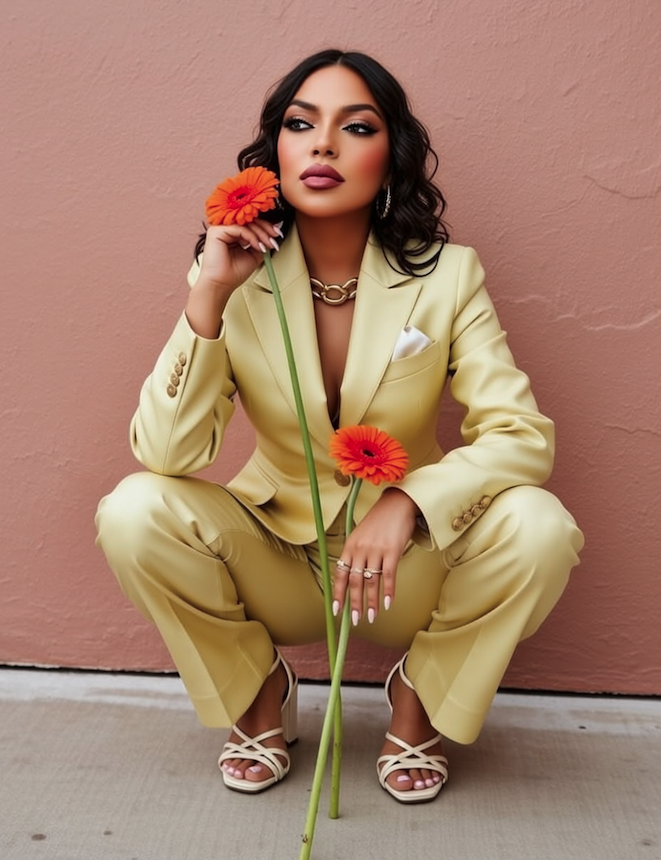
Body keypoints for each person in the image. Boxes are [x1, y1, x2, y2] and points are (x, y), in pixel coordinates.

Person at [95, 49, 584, 803]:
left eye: (354, 127)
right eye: (300, 124)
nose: (322, 144)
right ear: (277, 152)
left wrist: (408, 503)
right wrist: (210, 300)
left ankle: (416, 701)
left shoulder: (447, 275)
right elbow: (168, 453)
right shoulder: (230, 277)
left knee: (539, 525)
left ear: (391, 160)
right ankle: (261, 694)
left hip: (404, 568)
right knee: (132, 508)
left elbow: (521, 436)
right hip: (279, 561)